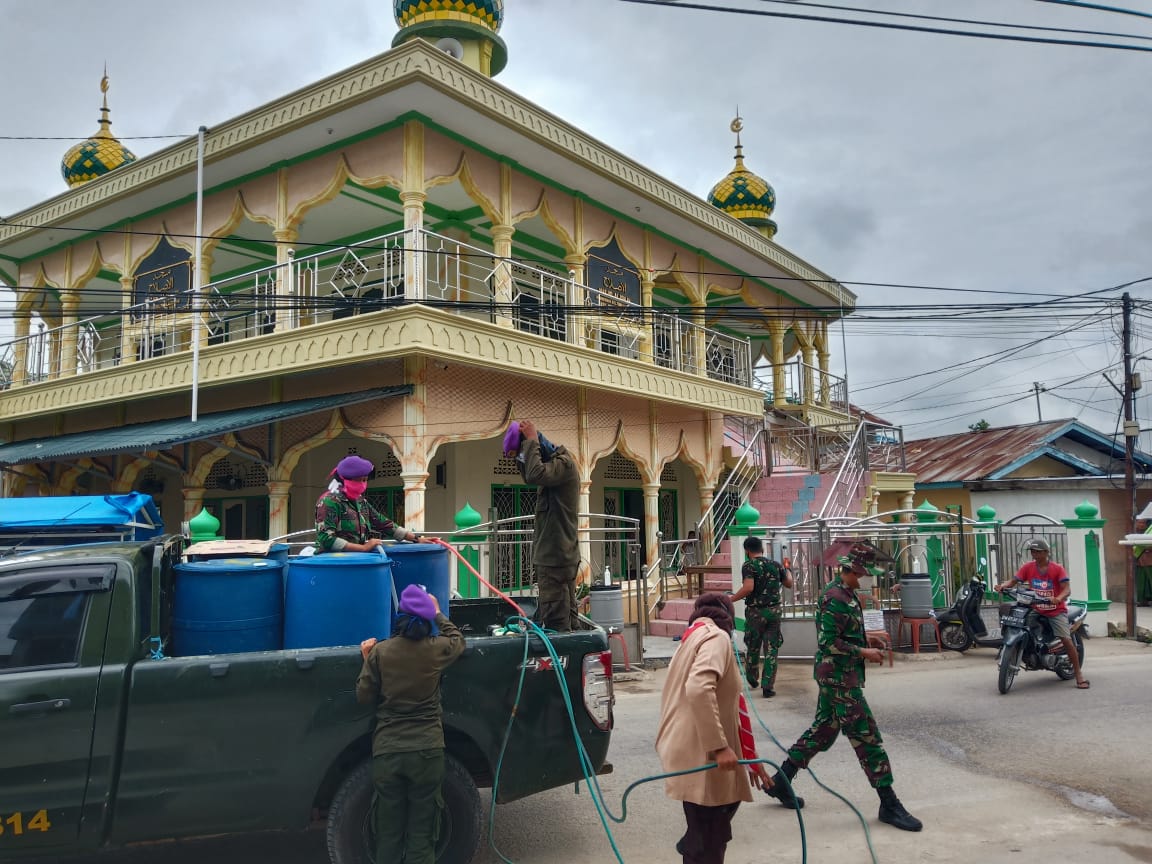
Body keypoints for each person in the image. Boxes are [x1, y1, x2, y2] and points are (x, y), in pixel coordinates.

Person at [764, 543, 923, 833]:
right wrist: (863, 653)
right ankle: (888, 803)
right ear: (848, 569)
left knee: (822, 731)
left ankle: (780, 782)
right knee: (868, 738)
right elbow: (828, 642)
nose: (863, 578)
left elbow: (844, 634)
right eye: (861, 573)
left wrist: (867, 640)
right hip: (838, 679)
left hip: (841, 676)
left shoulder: (847, 594)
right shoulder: (835, 596)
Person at [656, 593, 773, 864]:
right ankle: (692, 845)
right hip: (703, 753)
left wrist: (750, 760)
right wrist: (720, 747)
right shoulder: (716, 638)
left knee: (709, 829)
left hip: (691, 748)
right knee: (709, 840)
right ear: (729, 619)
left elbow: (729, 704)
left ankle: (691, 843)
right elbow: (698, 688)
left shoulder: (692, 636)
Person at [356, 584, 465, 864]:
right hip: (427, 752)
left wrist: (367, 660)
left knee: (388, 834)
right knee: (422, 833)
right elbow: (457, 639)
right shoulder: (436, 649)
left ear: (399, 616)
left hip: (389, 753)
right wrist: (438, 612)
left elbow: (364, 696)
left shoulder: (380, 652)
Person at [504, 419, 581, 632]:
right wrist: (518, 453)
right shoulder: (554, 471)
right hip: (559, 557)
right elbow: (531, 475)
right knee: (567, 618)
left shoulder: (563, 465)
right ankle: (571, 661)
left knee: (557, 622)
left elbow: (534, 473)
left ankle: (563, 663)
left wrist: (530, 439)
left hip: (555, 559)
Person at [995, 538, 1089, 689]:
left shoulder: (1057, 568)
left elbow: (1067, 589)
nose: (1034, 553)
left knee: (1066, 639)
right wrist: (1002, 586)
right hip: (1035, 608)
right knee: (1017, 623)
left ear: (1046, 552)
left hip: (1055, 611)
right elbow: (1013, 581)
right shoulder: (1028, 567)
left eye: (1038, 551)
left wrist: (1058, 599)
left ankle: (1078, 674)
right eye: (1032, 551)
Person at [315, 454, 419, 553]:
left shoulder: (359, 501)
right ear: (344, 480)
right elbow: (326, 538)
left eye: (365, 480)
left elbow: (382, 522)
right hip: (331, 563)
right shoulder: (329, 502)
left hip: (357, 560)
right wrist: (363, 548)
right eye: (359, 480)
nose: (363, 484)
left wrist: (416, 539)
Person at [729, 536, 793, 698]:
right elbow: (789, 584)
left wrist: (730, 599)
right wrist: (788, 570)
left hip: (756, 613)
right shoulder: (775, 565)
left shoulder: (749, 565)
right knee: (771, 649)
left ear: (747, 551)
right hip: (774, 612)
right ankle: (768, 686)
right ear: (762, 549)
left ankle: (752, 678)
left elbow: (748, 588)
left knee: (753, 645)